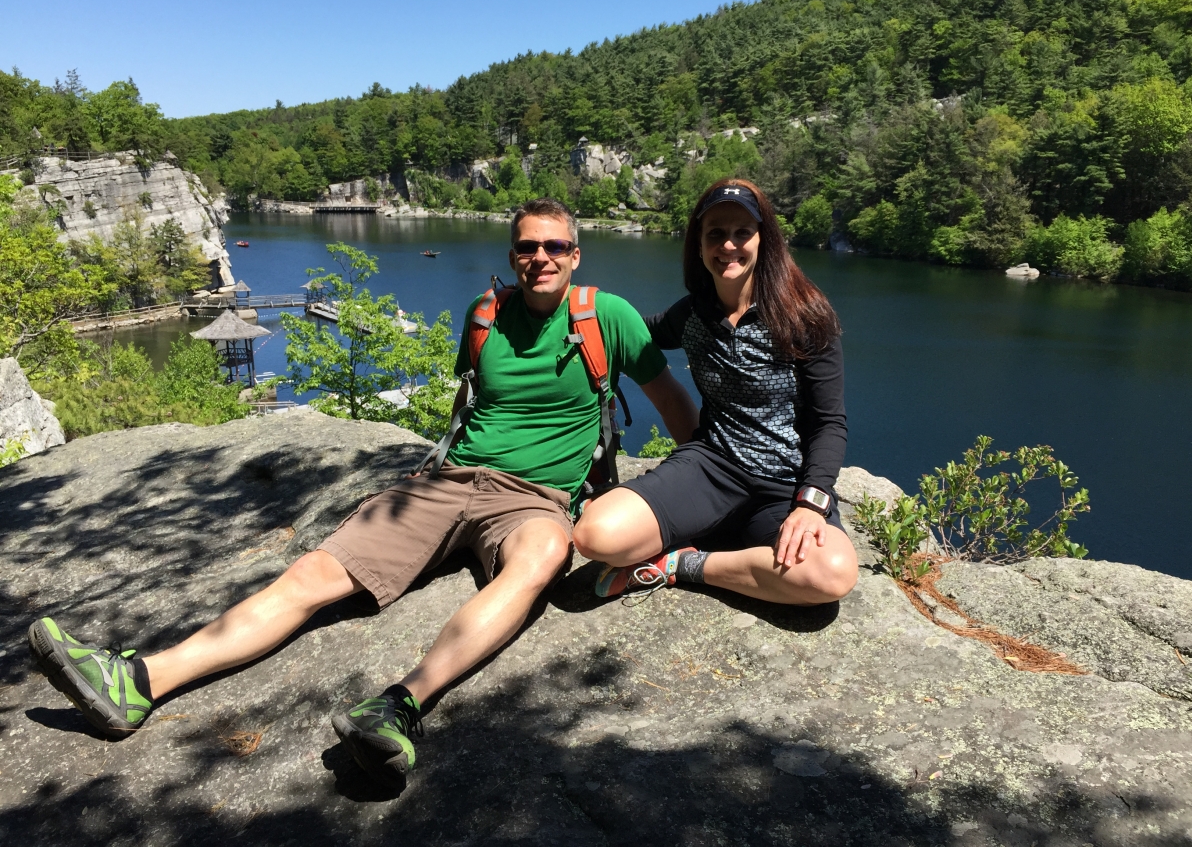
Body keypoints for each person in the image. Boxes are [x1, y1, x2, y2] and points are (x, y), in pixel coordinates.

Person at [28, 198, 698, 787]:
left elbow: (675, 408)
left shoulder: (606, 316)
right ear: (513, 255)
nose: (541, 258)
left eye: (555, 246)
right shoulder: (484, 312)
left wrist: (705, 498)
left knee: (542, 559)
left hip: (536, 499)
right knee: (313, 574)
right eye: (527, 246)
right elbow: (472, 406)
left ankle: (398, 705)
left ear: (575, 255)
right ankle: (142, 681)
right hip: (446, 484)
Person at [573, 179, 858, 606]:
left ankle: (680, 564)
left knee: (829, 575)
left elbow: (829, 421)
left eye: (742, 232)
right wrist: (565, 310)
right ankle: (729, 543)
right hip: (711, 468)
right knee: (595, 535)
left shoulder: (806, 316)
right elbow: (629, 332)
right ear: (699, 245)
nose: (728, 245)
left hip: (785, 486)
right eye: (715, 234)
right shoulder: (693, 313)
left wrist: (810, 504)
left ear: (765, 239)